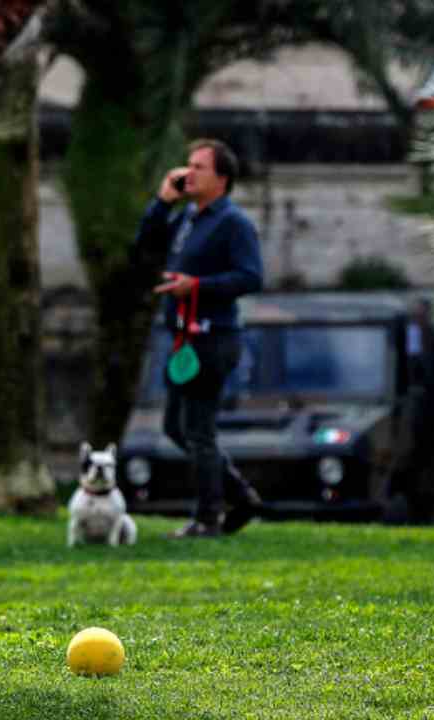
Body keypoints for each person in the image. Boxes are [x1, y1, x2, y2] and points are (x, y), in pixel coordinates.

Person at [133, 138, 264, 538]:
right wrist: (162, 202)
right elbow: (147, 245)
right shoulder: (189, 217)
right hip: (183, 339)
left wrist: (197, 286)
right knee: (176, 427)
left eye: (199, 168)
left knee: (198, 429)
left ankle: (208, 517)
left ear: (222, 179)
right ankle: (240, 497)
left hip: (214, 338)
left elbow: (251, 277)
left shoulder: (233, 223)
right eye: (187, 165)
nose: (188, 173)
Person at [403, 298, 434, 522]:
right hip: (414, 413)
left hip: (429, 412)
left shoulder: (430, 336)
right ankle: (417, 510)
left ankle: (428, 511)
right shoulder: (410, 335)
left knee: (428, 464)